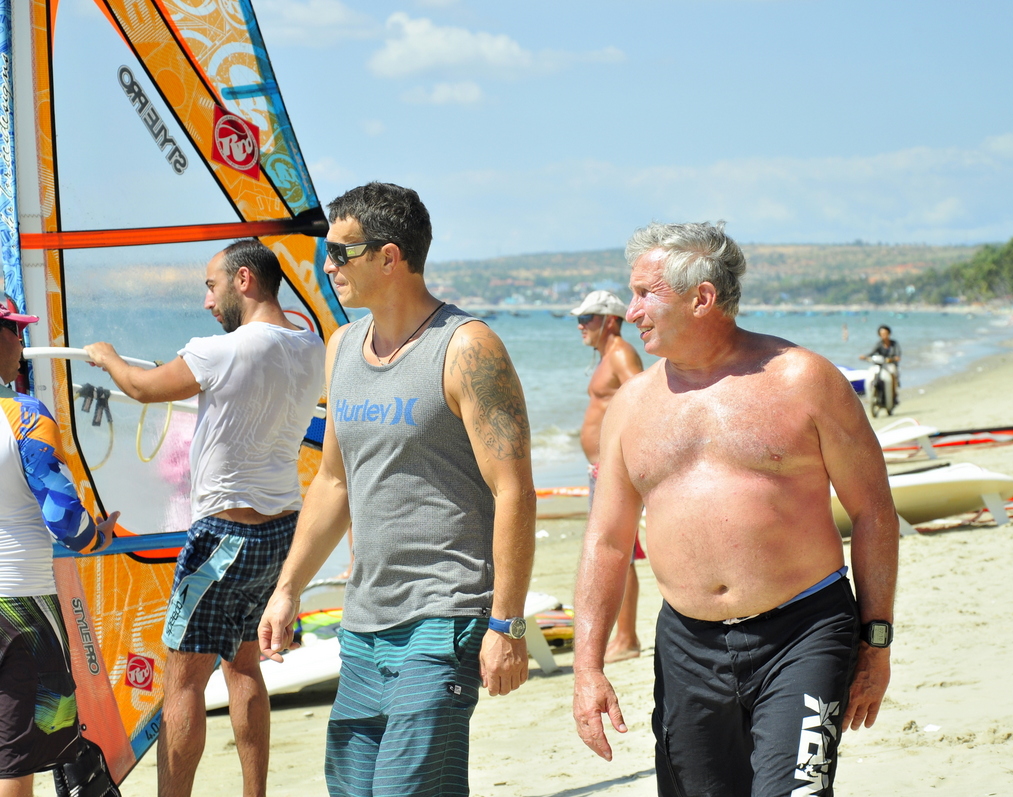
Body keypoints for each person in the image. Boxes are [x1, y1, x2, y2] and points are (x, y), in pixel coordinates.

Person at [572, 222, 898, 796]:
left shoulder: (804, 380)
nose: (633, 310)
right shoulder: (631, 405)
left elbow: (873, 513)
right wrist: (587, 668)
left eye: (646, 293)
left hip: (803, 631)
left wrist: (875, 642)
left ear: (702, 297)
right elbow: (607, 542)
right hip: (687, 647)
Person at [257, 182, 536, 797]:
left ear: (389, 257)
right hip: (363, 622)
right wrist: (287, 589)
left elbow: (514, 490)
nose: (327, 266)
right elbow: (334, 481)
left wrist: (508, 624)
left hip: (445, 613)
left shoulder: (467, 348)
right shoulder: (341, 348)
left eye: (340, 252)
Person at [83, 240, 325, 797]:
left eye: (211, 287)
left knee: (185, 679)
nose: (207, 301)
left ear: (244, 280)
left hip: (223, 537)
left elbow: (141, 388)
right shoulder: (310, 346)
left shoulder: (220, 351)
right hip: (280, 533)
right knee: (244, 665)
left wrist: (107, 357)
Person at [1, 295, 119, 797]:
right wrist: (98, 535)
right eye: (16, 332)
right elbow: (65, 520)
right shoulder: (24, 416)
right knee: (14, 754)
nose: (22, 344)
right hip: (18, 602)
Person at [571, 290, 644, 663]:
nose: (581, 325)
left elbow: (644, 400)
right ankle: (623, 635)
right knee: (615, 554)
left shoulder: (620, 353)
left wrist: (624, 463)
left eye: (588, 318)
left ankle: (627, 638)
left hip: (612, 471)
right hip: (601, 470)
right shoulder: (607, 356)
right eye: (580, 319)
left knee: (618, 554)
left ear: (611, 320)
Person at [860, 324, 901, 404]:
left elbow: (898, 355)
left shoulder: (894, 344)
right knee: (872, 374)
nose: (884, 336)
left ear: (889, 334)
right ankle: (871, 395)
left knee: (893, 374)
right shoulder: (879, 344)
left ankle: (894, 395)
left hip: (890, 365)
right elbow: (872, 353)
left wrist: (894, 358)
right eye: (882, 334)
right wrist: (865, 357)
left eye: (885, 333)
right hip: (880, 364)